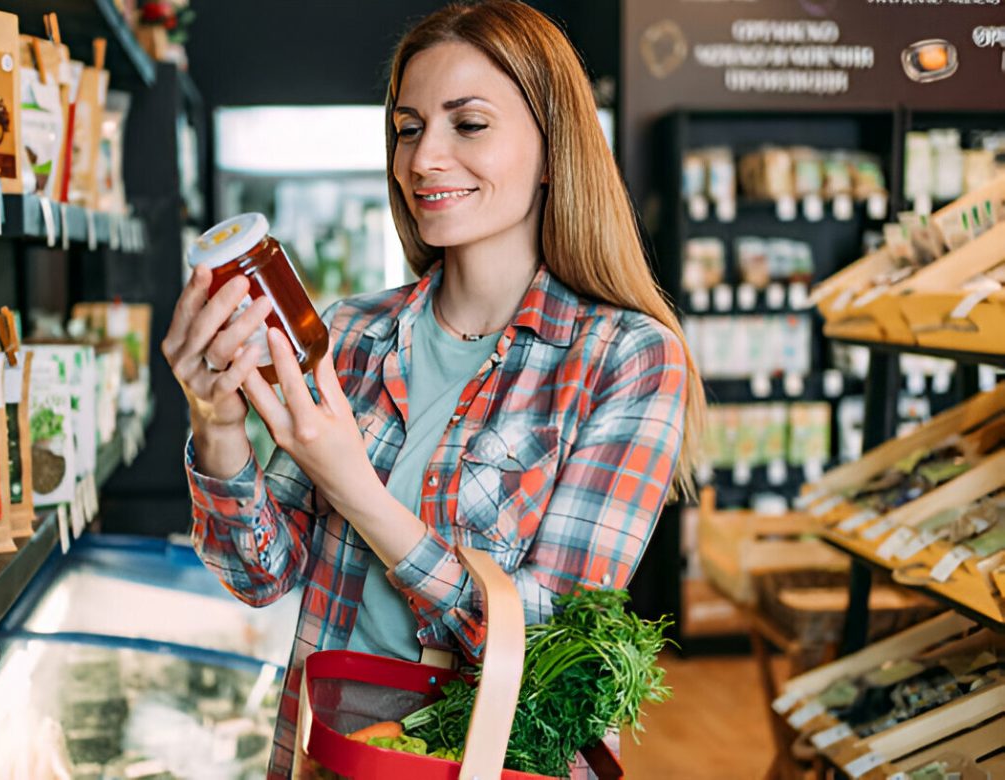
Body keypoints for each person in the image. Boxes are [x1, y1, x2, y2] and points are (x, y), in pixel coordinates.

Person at [162, 1, 706, 776]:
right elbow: (260, 577)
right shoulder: (347, 335)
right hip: (334, 757)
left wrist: (359, 491)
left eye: (470, 125)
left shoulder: (626, 360)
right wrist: (216, 426)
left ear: (554, 152)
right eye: (409, 128)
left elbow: (555, 653)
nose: (423, 160)